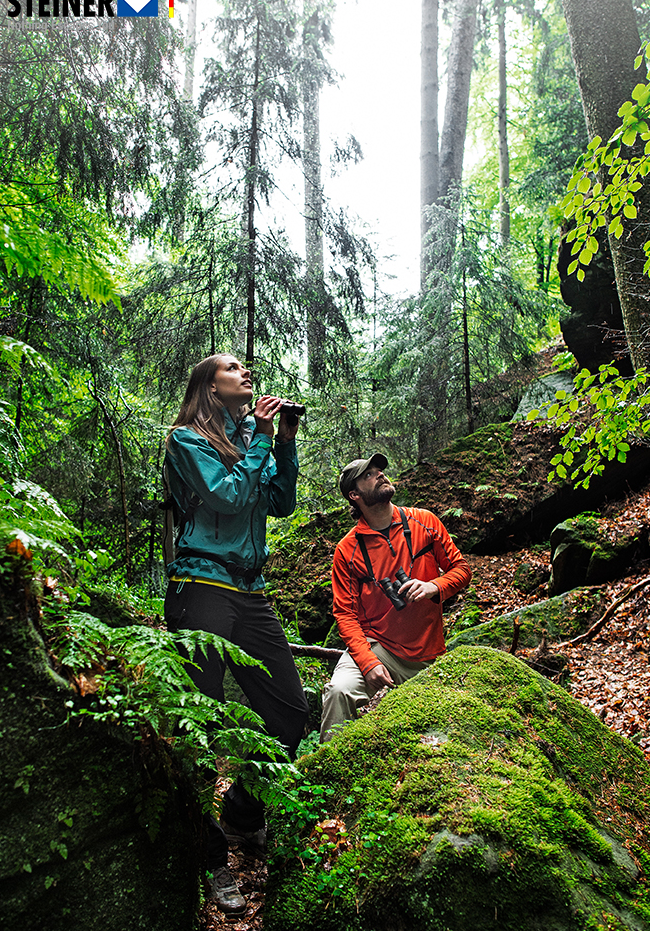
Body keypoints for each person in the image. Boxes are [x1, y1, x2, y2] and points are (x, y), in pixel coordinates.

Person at [164, 353, 309, 915]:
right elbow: (225, 495)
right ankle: (209, 855)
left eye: (247, 369)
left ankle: (243, 815)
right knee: (199, 725)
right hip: (201, 586)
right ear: (208, 384)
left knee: (289, 711)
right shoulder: (185, 438)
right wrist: (259, 442)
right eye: (233, 368)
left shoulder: (253, 434)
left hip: (251, 592)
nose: (246, 372)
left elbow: (278, 501)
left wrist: (284, 442)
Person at [320, 453, 472, 742]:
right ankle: (324, 781)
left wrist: (434, 587)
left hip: (428, 654)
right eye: (369, 474)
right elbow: (345, 615)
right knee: (340, 691)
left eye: (379, 469)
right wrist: (367, 662)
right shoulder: (347, 550)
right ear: (354, 495)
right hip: (379, 647)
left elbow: (462, 570)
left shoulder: (423, 521)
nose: (379, 474)